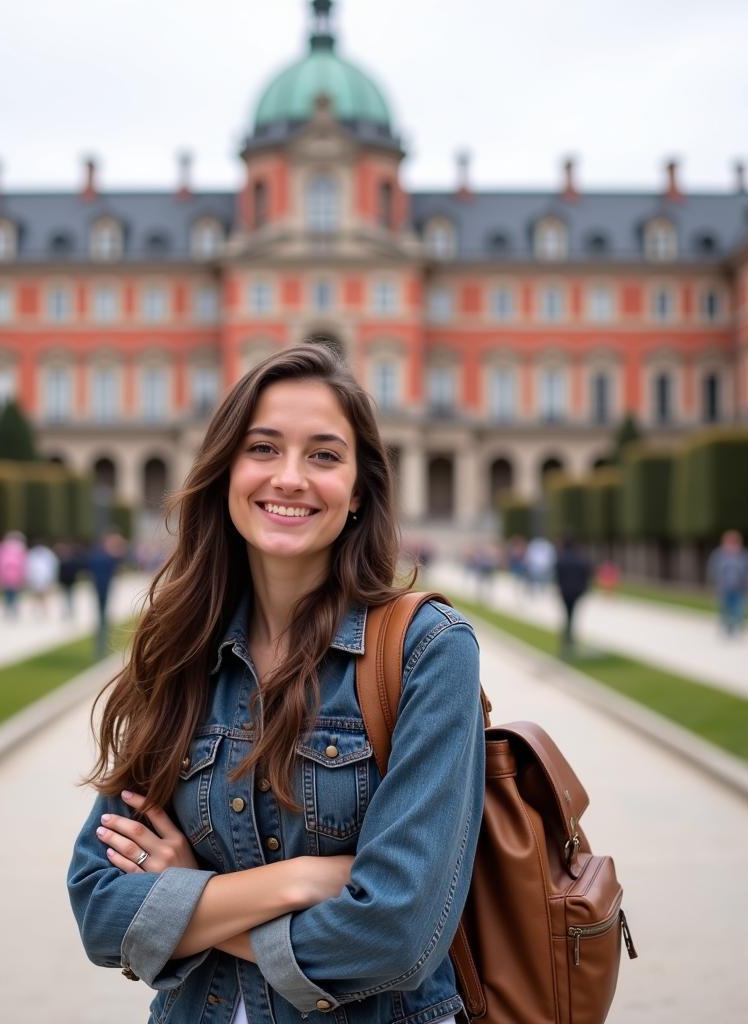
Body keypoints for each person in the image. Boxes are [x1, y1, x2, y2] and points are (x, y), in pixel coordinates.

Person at [67, 345, 485, 1024]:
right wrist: (299, 881)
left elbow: (396, 937)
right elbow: (98, 909)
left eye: (323, 455)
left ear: (358, 491)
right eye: (263, 448)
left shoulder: (428, 649)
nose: (289, 477)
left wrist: (185, 897)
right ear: (227, 469)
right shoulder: (180, 646)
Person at [86, 528, 125, 656]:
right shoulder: (107, 557)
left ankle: (101, 647)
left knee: (102, 619)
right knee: (103, 619)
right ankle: (101, 647)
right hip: (102, 589)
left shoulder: (98, 555)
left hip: (100, 588)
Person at [707, 529, 748, 636]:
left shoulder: (744, 555)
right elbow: (714, 569)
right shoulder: (719, 554)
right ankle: (728, 628)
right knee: (725, 609)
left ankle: (736, 626)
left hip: (740, 588)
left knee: (738, 609)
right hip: (724, 587)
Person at [554, 534, 593, 658]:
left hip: (566, 591)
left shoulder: (562, 558)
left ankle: (567, 639)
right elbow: (588, 572)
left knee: (568, 615)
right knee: (571, 614)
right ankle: (569, 638)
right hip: (577, 591)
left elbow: (557, 575)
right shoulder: (581, 557)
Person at [0, 531, 27, 619]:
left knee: (8, 594)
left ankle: (9, 609)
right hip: (13, 575)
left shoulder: (1, 548)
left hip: (7, 575)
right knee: (13, 594)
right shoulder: (19, 548)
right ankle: (12, 609)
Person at [25, 539, 59, 618]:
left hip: (44, 578)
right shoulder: (32, 554)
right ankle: (37, 612)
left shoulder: (47, 553)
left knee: (44, 597)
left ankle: (44, 612)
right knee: (36, 597)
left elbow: (52, 566)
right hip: (35, 578)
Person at [55, 539, 82, 620]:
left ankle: (70, 612)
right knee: (64, 598)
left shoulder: (72, 560)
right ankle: (66, 612)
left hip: (70, 581)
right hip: (64, 581)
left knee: (70, 597)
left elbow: (75, 571)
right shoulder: (61, 561)